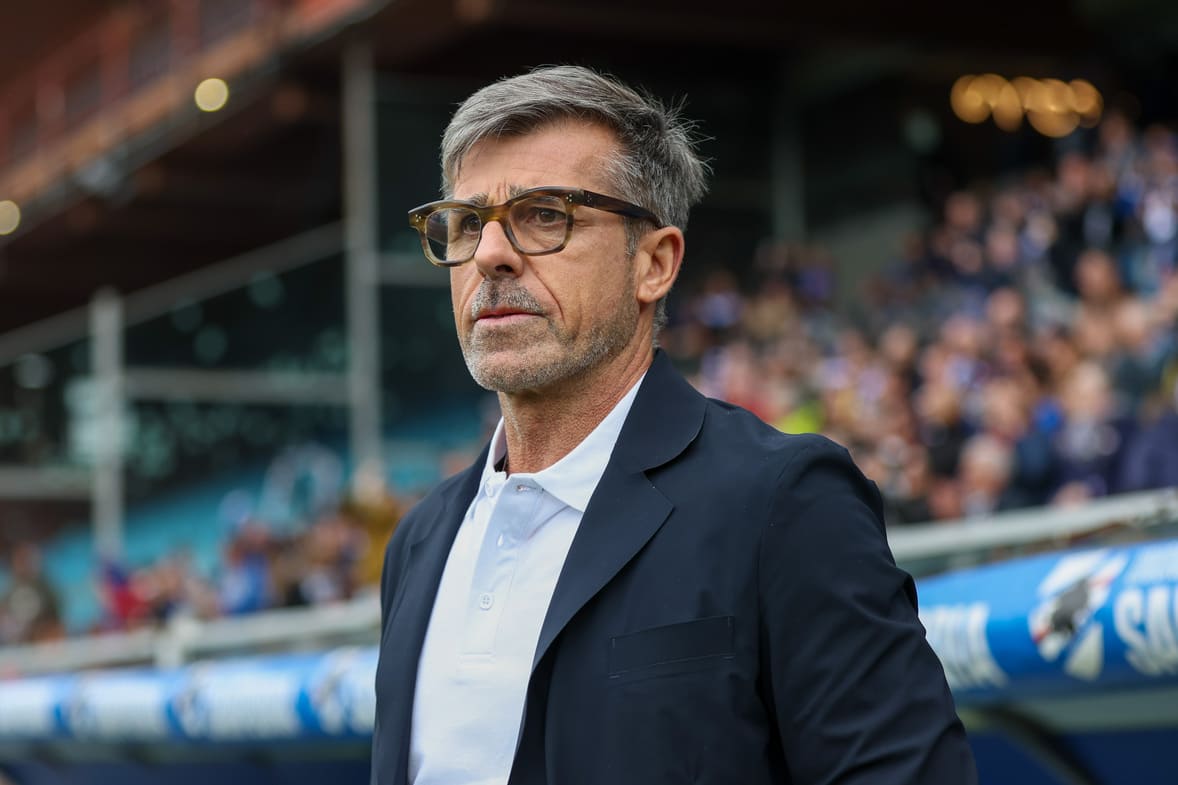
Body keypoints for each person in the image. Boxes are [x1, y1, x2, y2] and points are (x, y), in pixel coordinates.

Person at [371, 65, 976, 785]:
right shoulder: (419, 541)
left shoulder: (783, 501)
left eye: (545, 215)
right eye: (468, 223)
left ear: (654, 263)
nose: (491, 254)